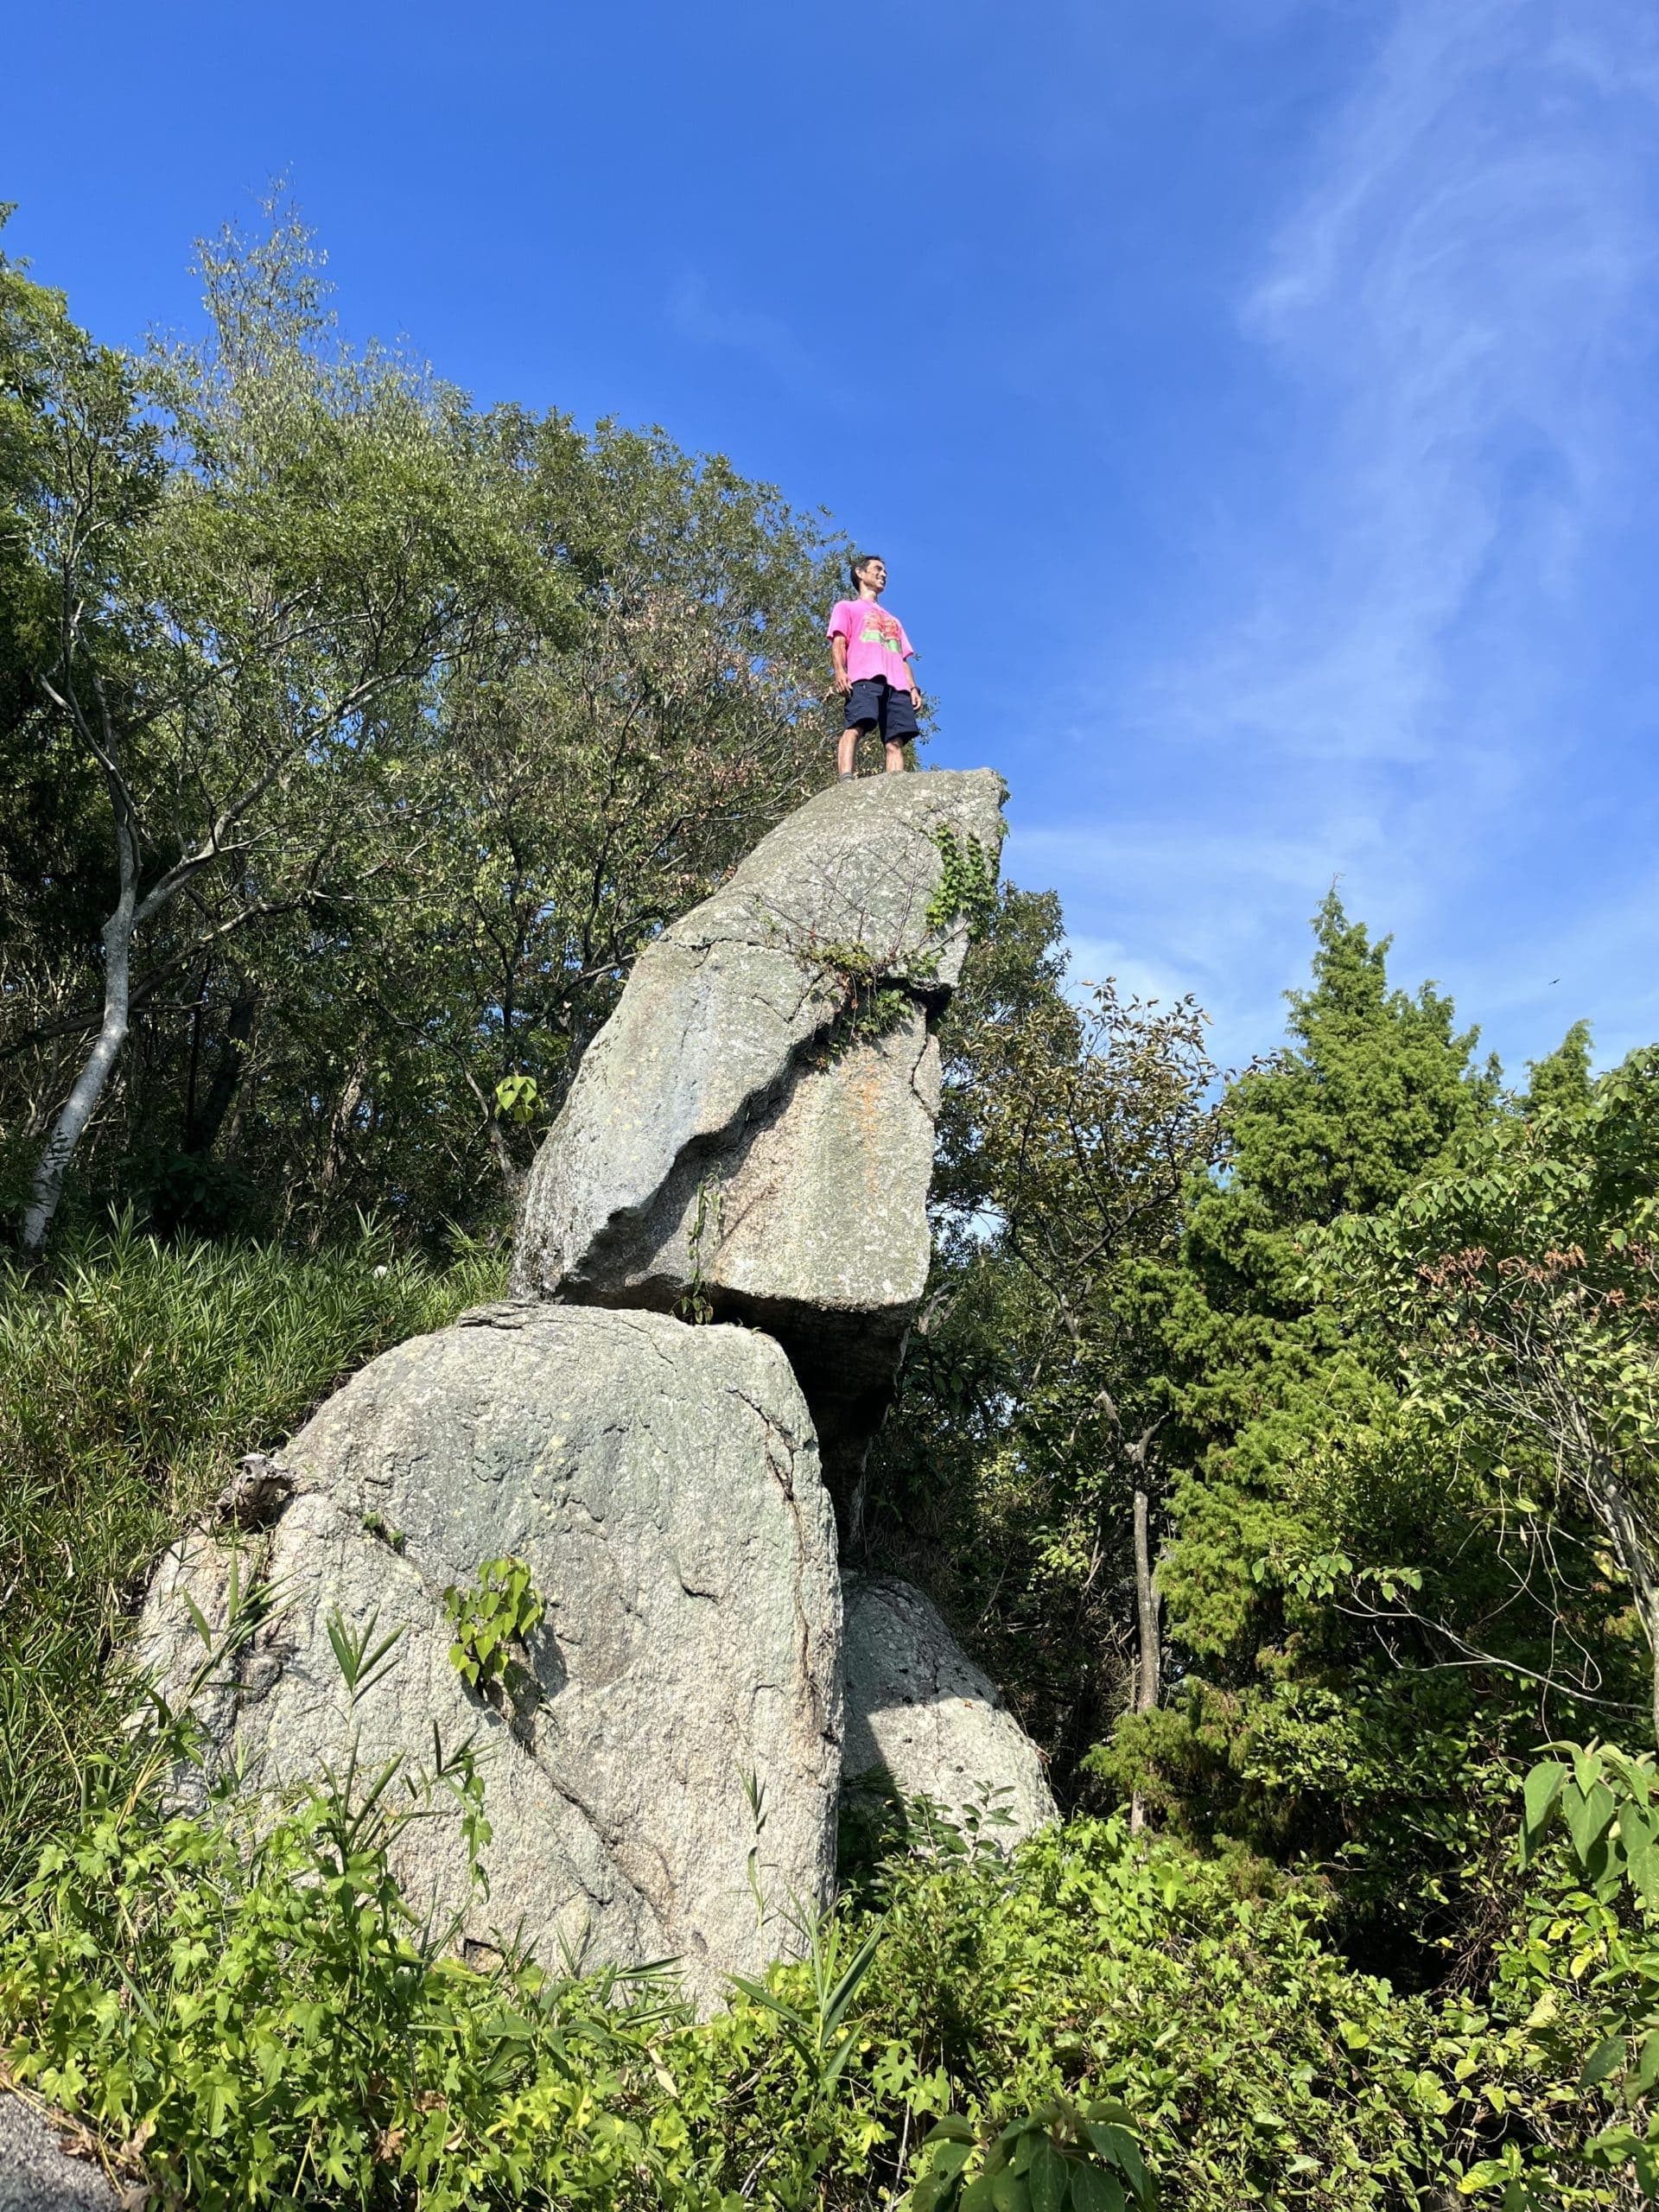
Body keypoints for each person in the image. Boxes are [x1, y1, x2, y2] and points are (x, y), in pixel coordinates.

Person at [826, 554, 922, 778]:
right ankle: (846, 780)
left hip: (897, 685)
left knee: (895, 741)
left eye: (885, 571)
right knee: (857, 726)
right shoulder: (846, 607)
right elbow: (839, 642)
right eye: (877, 569)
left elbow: (902, 657)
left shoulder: (893, 620)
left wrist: (912, 687)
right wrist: (840, 672)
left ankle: (894, 788)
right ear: (860, 573)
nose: (883, 574)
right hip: (865, 677)